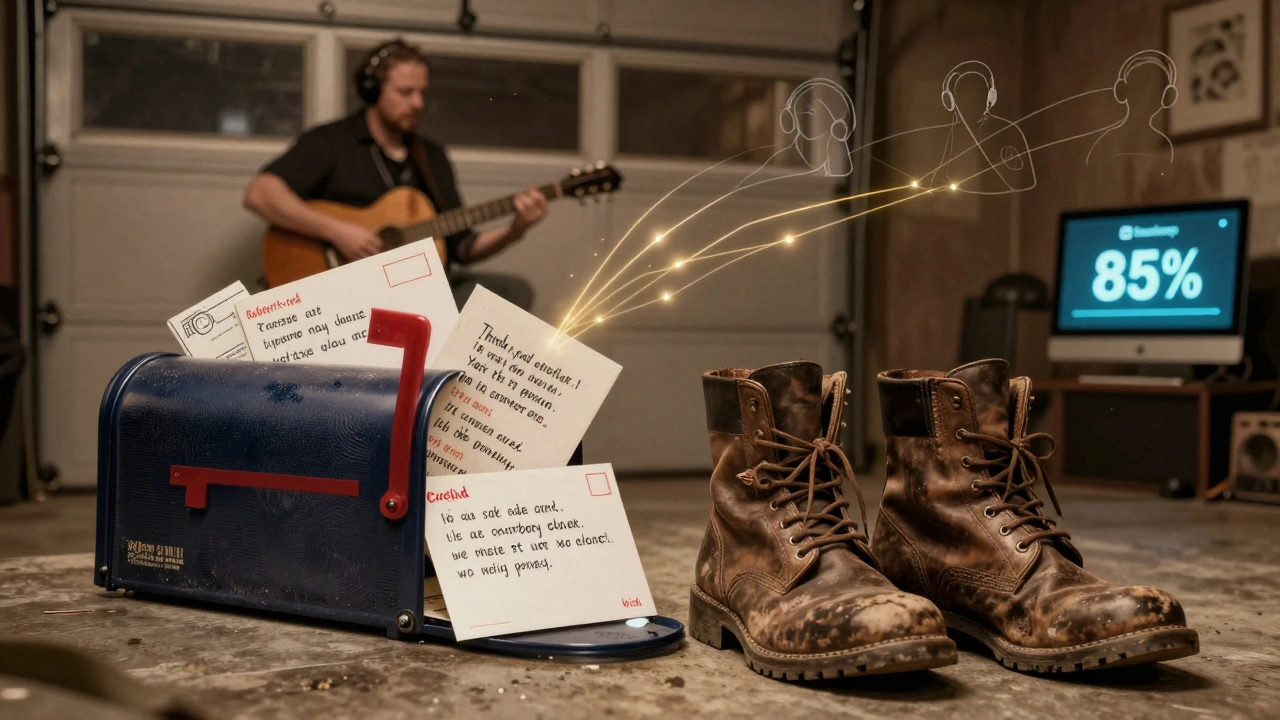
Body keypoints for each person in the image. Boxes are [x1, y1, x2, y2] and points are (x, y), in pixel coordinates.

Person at [242, 38, 547, 309]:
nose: (417, 103)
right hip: (347, 295)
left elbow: (462, 247)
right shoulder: (331, 142)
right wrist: (338, 232)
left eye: (422, 92)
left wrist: (515, 229)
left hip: (414, 291)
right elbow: (261, 194)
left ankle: (432, 369)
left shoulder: (431, 156)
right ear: (372, 91)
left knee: (513, 291)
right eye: (405, 92)